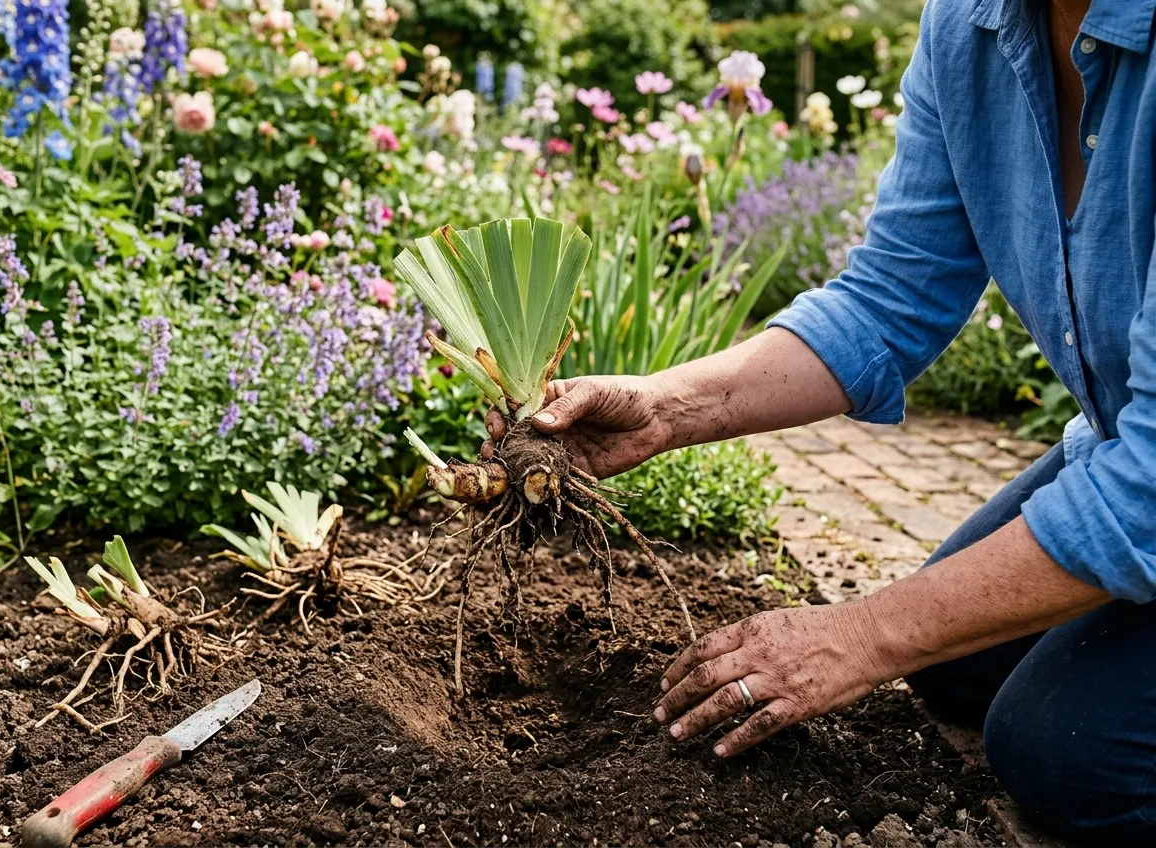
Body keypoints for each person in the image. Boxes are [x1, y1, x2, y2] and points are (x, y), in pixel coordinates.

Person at [487, 0, 1156, 843]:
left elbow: (1146, 497)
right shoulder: (973, 26)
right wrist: (662, 406)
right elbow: (887, 302)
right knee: (954, 666)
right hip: (1129, 446)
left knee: (1071, 756)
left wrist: (861, 635)